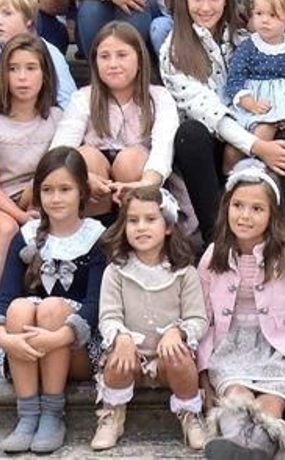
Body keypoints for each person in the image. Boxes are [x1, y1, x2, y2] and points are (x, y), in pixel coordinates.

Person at [163, 0, 285, 238]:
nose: (206, 7)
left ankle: (272, 234)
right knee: (190, 134)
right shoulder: (174, 48)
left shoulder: (246, 38)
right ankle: (216, 236)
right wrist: (257, 146)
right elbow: (207, 110)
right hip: (212, 142)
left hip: (258, 125)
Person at [197, 160, 285, 459]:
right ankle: (241, 449)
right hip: (229, 347)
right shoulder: (214, 256)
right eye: (238, 205)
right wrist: (202, 376)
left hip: (275, 350)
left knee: (271, 407)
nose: (245, 216)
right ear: (227, 207)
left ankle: (252, 452)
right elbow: (203, 319)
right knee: (236, 400)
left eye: (256, 208)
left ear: (272, 215)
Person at [0, 147, 106, 454]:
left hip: (76, 345)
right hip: (25, 348)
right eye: (47, 190)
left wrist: (57, 337)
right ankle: (27, 415)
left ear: (82, 191)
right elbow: (3, 296)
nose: (56, 198)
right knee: (19, 306)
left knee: (54, 306)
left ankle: (53, 414)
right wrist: (4, 338)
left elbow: (97, 304)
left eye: (65, 189)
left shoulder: (96, 238)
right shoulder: (27, 235)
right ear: (38, 193)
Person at [0, 33, 64, 385]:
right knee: (7, 230)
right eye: (14, 69)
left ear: (45, 74)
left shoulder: (57, 118)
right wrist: (22, 216)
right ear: (1, 75)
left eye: (31, 68)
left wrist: (32, 205)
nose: (22, 77)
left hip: (37, 200)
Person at [91, 187, 210, 452]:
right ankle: (113, 413)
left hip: (168, 359)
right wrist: (121, 337)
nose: (141, 227)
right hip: (132, 356)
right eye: (133, 221)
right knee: (117, 360)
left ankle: (190, 414)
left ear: (167, 226)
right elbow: (108, 316)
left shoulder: (184, 271)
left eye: (150, 219)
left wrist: (177, 332)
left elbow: (198, 319)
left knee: (179, 356)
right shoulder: (116, 270)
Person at [54, 23, 181, 219]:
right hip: (94, 185)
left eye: (122, 55)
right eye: (104, 56)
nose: (113, 64)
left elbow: (163, 148)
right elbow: (59, 150)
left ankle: (129, 228)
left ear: (139, 59)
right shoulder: (83, 98)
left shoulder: (158, 97)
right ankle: (97, 233)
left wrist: (146, 182)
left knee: (130, 159)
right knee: (85, 156)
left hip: (139, 178)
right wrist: (83, 177)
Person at [224, 0, 285, 165]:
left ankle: (258, 170)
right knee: (240, 145)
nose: (265, 20)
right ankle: (234, 177)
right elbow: (235, 77)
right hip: (253, 104)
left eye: (273, 15)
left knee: (274, 134)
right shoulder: (248, 46)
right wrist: (248, 102)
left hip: (283, 104)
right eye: (259, 14)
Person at [0, 0, 78, 124]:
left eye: (7, 13)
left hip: (44, 126)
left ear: (29, 19)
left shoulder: (50, 54)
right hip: (1, 128)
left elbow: (69, 105)